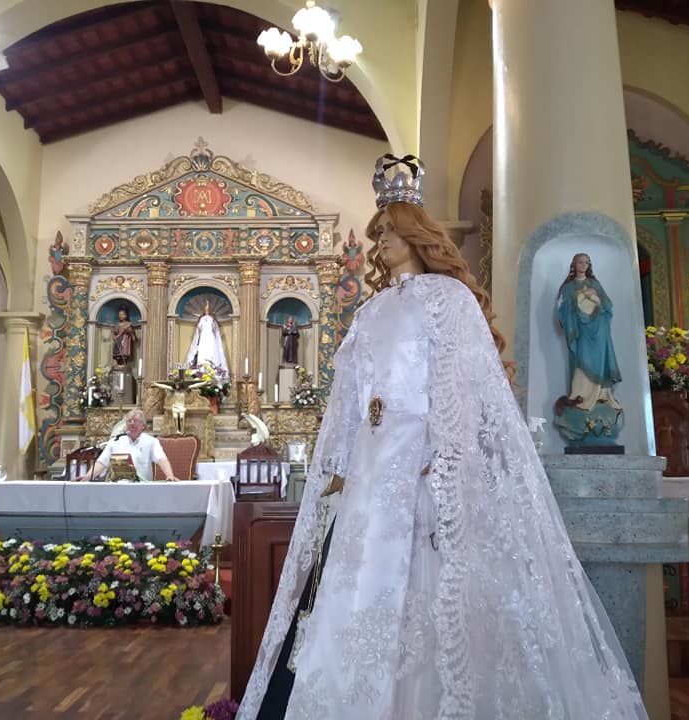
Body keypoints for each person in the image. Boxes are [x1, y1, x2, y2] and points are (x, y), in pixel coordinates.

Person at [237, 154, 647, 719]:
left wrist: (445, 456)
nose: (380, 244)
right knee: (361, 594)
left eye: (388, 233)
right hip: (373, 472)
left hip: (426, 462)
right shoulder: (369, 313)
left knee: (434, 599)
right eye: (377, 234)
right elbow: (350, 402)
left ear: (414, 234)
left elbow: (464, 386)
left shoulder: (448, 301)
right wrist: (342, 465)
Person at [557, 252, 622, 410]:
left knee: (599, 360)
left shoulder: (595, 284)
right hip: (580, 331)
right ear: (574, 264)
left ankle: (601, 394)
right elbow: (562, 309)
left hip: (599, 329)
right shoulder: (568, 287)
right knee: (582, 358)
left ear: (589, 265)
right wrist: (576, 296)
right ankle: (581, 394)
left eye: (586, 262)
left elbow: (608, 306)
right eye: (580, 262)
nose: (583, 265)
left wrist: (593, 297)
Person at [74, 409, 177, 482]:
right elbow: (101, 463)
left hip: (141, 487)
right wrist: (86, 478)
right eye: (129, 421)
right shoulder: (115, 440)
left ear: (143, 426)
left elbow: (161, 459)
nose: (132, 424)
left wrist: (170, 476)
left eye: (136, 421)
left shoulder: (151, 441)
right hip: (117, 487)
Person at [185, 299, 229, 373]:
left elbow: (216, 330)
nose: (207, 311)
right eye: (205, 310)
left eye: (208, 310)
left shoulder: (212, 319)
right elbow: (198, 329)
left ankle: (212, 368)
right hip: (202, 338)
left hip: (210, 338)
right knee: (202, 352)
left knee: (211, 352)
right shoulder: (202, 319)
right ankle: (201, 369)